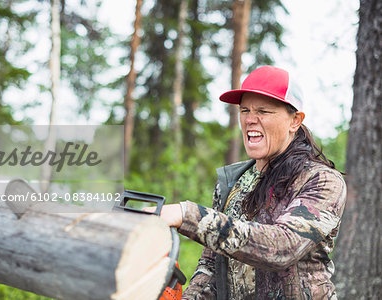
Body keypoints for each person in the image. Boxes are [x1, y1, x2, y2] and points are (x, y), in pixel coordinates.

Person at [146, 66, 347, 299]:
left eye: (264, 111)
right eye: (245, 110)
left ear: (295, 121)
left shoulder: (322, 181)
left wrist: (187, 214)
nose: (251, 119)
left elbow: (283, 247)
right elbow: (211, 266)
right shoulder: (233, 182)